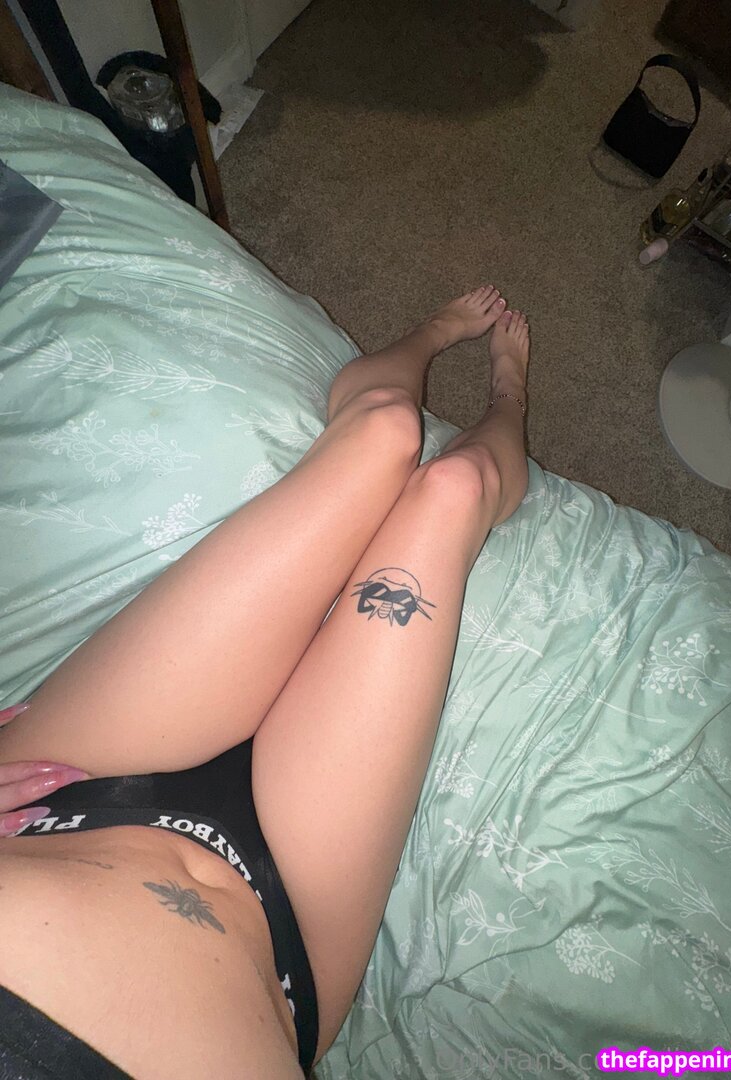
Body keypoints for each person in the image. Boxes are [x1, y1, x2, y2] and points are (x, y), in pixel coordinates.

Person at [0, 286, 530, 1079]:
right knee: (453, 489)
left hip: (65, 799)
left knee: (385, 430)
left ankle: (431, 332)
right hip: (289, 953)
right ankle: (511, 398)